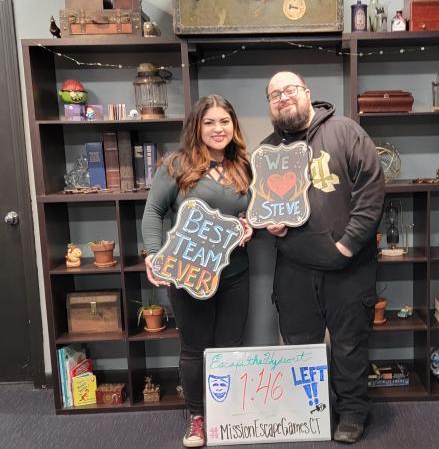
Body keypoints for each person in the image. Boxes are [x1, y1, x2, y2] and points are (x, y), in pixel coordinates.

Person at [262, 72, 385, 443]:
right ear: (270, 106)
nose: (283, 98)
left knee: (349, 344)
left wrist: (347, 244)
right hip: (294, 267)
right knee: (300, 344)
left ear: (308, 93)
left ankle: (352, 412)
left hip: (349, 264)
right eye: (274, 95)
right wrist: (271, 225)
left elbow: (371, 191)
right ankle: (309, 412)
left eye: (290, 90)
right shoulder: (268, 150)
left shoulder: (345, 132)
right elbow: (264, 203)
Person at [141, 94, 254, 448]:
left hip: (235, 274)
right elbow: (153, 211)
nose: (218, 129)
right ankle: (197, 417)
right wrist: (154, 254)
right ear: (196, 127)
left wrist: (250, 225)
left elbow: (254, 212)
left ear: (233, 126)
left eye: (224, 121)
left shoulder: (243, 165)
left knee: (230, 346)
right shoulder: (176, 165)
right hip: (189, 276)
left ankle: (226, 414)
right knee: (194, 348)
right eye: (209, 122)